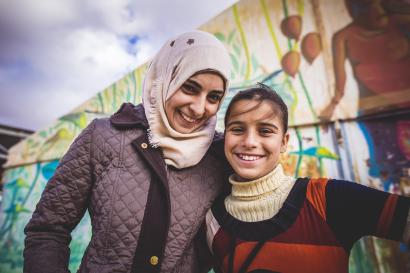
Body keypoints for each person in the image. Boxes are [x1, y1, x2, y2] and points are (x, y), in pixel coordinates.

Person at [23, 30, 231, 273]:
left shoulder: (220, 156)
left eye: (213, 97)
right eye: (190, 88)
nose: (199, 108)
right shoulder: (103, 136)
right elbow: (47, 230)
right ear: (165, 79)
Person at [206, 84, 410, 273]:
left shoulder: (329, 199)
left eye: (265, 131)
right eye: (238, 129)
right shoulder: (212, 221)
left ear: (284, 142)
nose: (249, 142)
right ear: (225, 137)